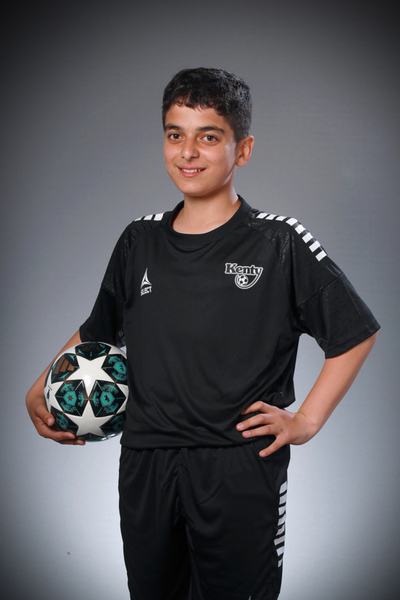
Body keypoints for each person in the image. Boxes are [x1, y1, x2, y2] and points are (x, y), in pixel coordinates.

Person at [26, 67, 380, 600]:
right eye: (176, 135)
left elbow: (354, 333)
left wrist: (306, 420)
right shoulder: (139, 240)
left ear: (243, 150)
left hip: (238, 467)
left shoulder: (278, 242)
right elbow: (98, 330)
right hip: (147, 461)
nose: (188, 152)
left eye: (209, 137)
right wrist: (41, 385)